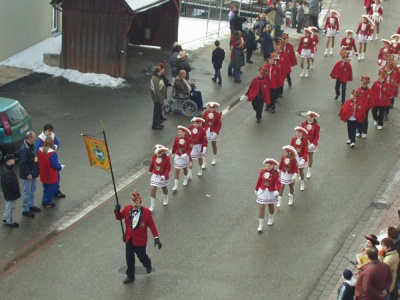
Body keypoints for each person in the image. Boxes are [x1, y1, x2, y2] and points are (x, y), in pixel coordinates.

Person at [114, 190, 162, 284]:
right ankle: (130, 276)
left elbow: (152, 226)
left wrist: (156, 238)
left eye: (137, 203)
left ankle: (148, 264)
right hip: (129, 239)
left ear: (140, 202)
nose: (135, 205)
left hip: (140, 241)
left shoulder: (147, 213)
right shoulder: (127, 209)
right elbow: (119, 217)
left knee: (142, 257)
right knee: (129, 258)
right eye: (134, 203)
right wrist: (116, 210)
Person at [35, 123, 65, 198]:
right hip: (45, 161)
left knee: (56, 178)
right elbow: (37, 152)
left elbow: (57, 143)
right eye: (49, 131)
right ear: (45, 131)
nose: (50, 133)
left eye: (51, 131)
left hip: (51, 157)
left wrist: (55, 147)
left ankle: (56, 191)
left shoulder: (52, 135)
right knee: (48, 181)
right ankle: (47, 198)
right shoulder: (40, 139)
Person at [255, 158, 281, 231]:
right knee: (261, 207)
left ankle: (271, 217)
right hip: (263, 190)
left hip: (271, 191)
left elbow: (278, 183)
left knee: (270, 205)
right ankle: (260, 225)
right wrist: (256, 188)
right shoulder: (262, 171)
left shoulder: (276, 173)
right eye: (266, 166)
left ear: (272, 166)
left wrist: (277, 190)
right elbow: (259, 179)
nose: (267, 167)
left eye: (269, 166)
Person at [37, 136, 64, 208]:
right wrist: (60, 167)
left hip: (43, 173)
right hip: (50, 174)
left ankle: (44, 200)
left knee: (45, 188)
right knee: (50, 189)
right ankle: (48, 202)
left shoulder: (40, 150)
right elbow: (54, 165)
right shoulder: (52, 153)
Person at [19, 131, 41, 218]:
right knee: (27, 192)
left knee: (32, 189)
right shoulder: (24, 149)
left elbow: (34, 158)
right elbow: (23, 163)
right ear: (30, 138)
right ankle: (25, 209)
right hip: (28, 174)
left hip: (33, 172)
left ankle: (30, 205)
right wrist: (28, 173)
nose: (35, 138)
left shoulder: (31, 146)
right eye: (34, 137)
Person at [148, 144, 171, 211]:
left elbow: (168, 168)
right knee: (153, 188)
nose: (157, 155)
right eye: (157, 153)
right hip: (155, 175)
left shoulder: (167, 159)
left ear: (162, 153)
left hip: (162, 175)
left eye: (159, 153)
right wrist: (150, 170)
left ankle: (166, 197)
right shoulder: (154, 157)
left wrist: (164, 175)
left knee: (164, 187)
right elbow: (152, 164)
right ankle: (152, 205)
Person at [1, 154, 20, 228]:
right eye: (13, 159)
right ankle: (10, 221)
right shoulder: (8, 171)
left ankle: (6, 217)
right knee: (11, 207)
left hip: (7, 193)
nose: (14, 160)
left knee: (8, 206)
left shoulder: (5, 169)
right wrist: (16, 191)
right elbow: (10, 183)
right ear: (9, 160)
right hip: (10, 193)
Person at [171, 126, 192, 191]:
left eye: (181, 132)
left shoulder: (189, 140)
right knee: (177, 169)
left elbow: (190, 148)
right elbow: (174, 146)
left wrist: (186, 154)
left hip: (185, 157)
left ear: (185, 133)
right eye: (179, 132)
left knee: (185, 168)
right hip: (178, 155)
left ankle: (185, 178)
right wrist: (173, 152)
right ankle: (176, 185)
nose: (179, 133)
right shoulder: (177, 139)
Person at [301, 111, 320, 179]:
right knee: (302, 157)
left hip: (311, 143)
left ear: (313, 118)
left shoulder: (316, 126)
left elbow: (317, 136)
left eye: (311, 118)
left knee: (310, 156)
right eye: (308, 117)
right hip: (304, 143)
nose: (309, 119)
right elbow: (301, 133)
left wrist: (313, 144)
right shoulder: (303, 124)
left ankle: (309, 170)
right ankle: (301, 172)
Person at [203, 102, 222, 166]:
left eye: (213, 108)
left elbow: (219, 125)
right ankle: (204, 161)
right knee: (205, 146)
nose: (211, 109)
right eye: (210, 108)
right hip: (206, 131)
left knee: (213, 144)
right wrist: (203, 130)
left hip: (213, 131)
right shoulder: (206, 113)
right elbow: (203, 122)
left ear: (215, 108)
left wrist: (216, 133)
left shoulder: (217, 115)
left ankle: (214, 158)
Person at [290, 126, 308, 191]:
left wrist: (303, 159)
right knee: (293, 172)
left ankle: (302, 182)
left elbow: (306, 151)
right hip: (295, 157)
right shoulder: (293, 139)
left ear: (302, 133)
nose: (297, 134)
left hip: (301, 157)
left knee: (300, 171)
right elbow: (291, 148)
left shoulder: (305, 140)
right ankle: (292, 188)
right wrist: (290, 156)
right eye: (296, 133)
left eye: (299, 133)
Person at [150, 66, 167, 130]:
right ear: (157, 72)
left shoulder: (156, 78)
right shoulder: (155, 80)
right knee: (156, 112)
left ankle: (157, 123)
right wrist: (160, 99)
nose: (161, 73)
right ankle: (155, 125)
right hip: (157, 99)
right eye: (160, 72)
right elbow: (156, 91)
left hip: (158, 98)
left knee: (158, 111)